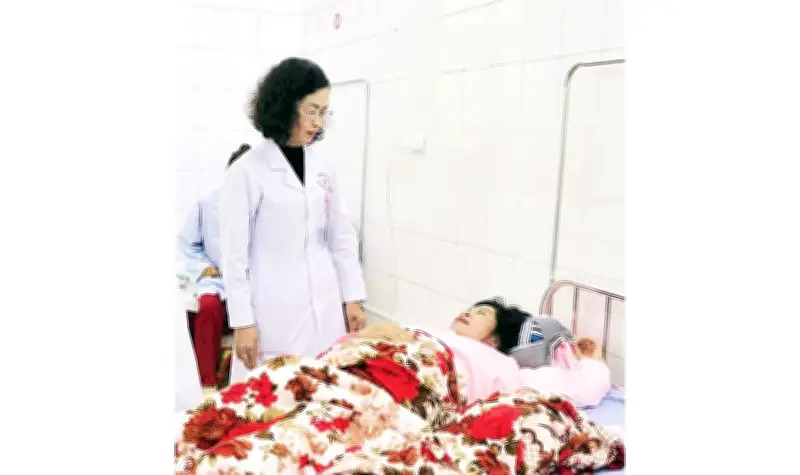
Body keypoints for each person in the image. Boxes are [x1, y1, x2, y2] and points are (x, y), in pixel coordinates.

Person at [221, 58, 367, 384]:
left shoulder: (325, 167)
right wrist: (242, 322)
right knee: (271, 393)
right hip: (273, 307)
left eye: (324, 112)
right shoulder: (246, 170)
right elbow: (234, 256)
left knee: (323, 390)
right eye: (311, 111)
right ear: (285, 106)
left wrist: (352, 298)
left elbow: (341, 237)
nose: (318, 122)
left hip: (325, 302)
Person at [346, 298, 611, 407]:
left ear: (495, 339)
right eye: (470, 309)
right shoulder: (429, 331)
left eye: (481, 313)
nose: (467, 313)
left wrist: (593, 361)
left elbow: (583, 387)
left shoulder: (503, 368)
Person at [177, 143, 251, 389]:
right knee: (208, 307)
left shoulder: (265, 205)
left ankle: (254, 381)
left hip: (253, 280)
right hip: (217, 278)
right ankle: (206, 383)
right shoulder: (207, 205)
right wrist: (203, 267)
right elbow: (187, 244)